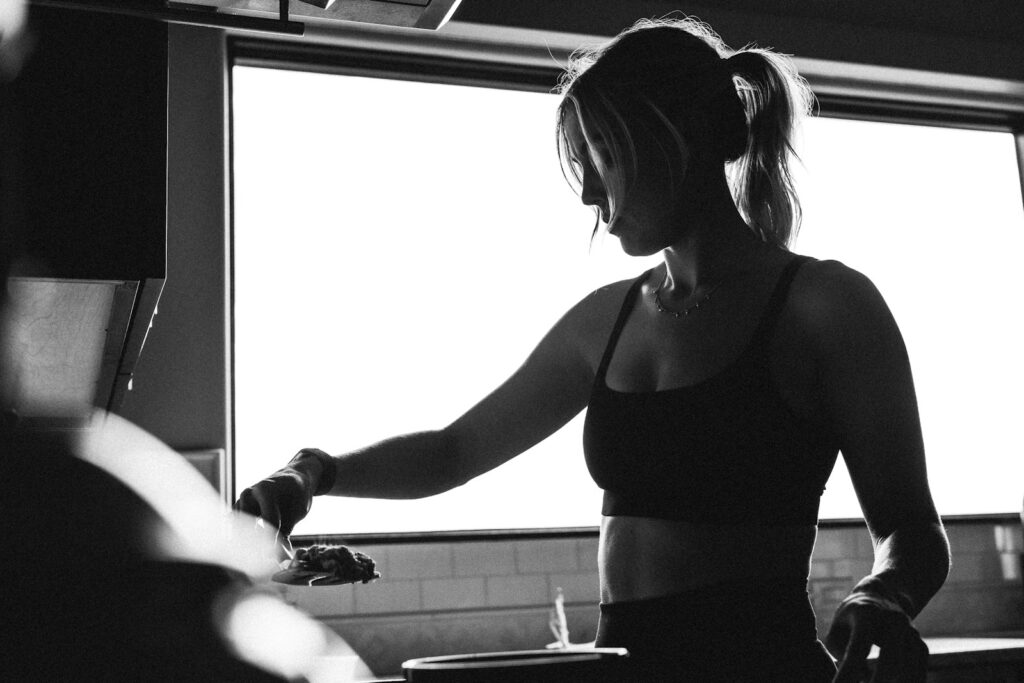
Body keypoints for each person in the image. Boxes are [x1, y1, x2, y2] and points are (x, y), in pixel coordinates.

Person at [236, 16, 950, 682]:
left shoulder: (824, 305)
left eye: (601, 156)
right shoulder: (606, 320)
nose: (586, 192)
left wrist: (882, 593)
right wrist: (314, 470)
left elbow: (913, 532)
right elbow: (455, 450)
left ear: (676, 140)